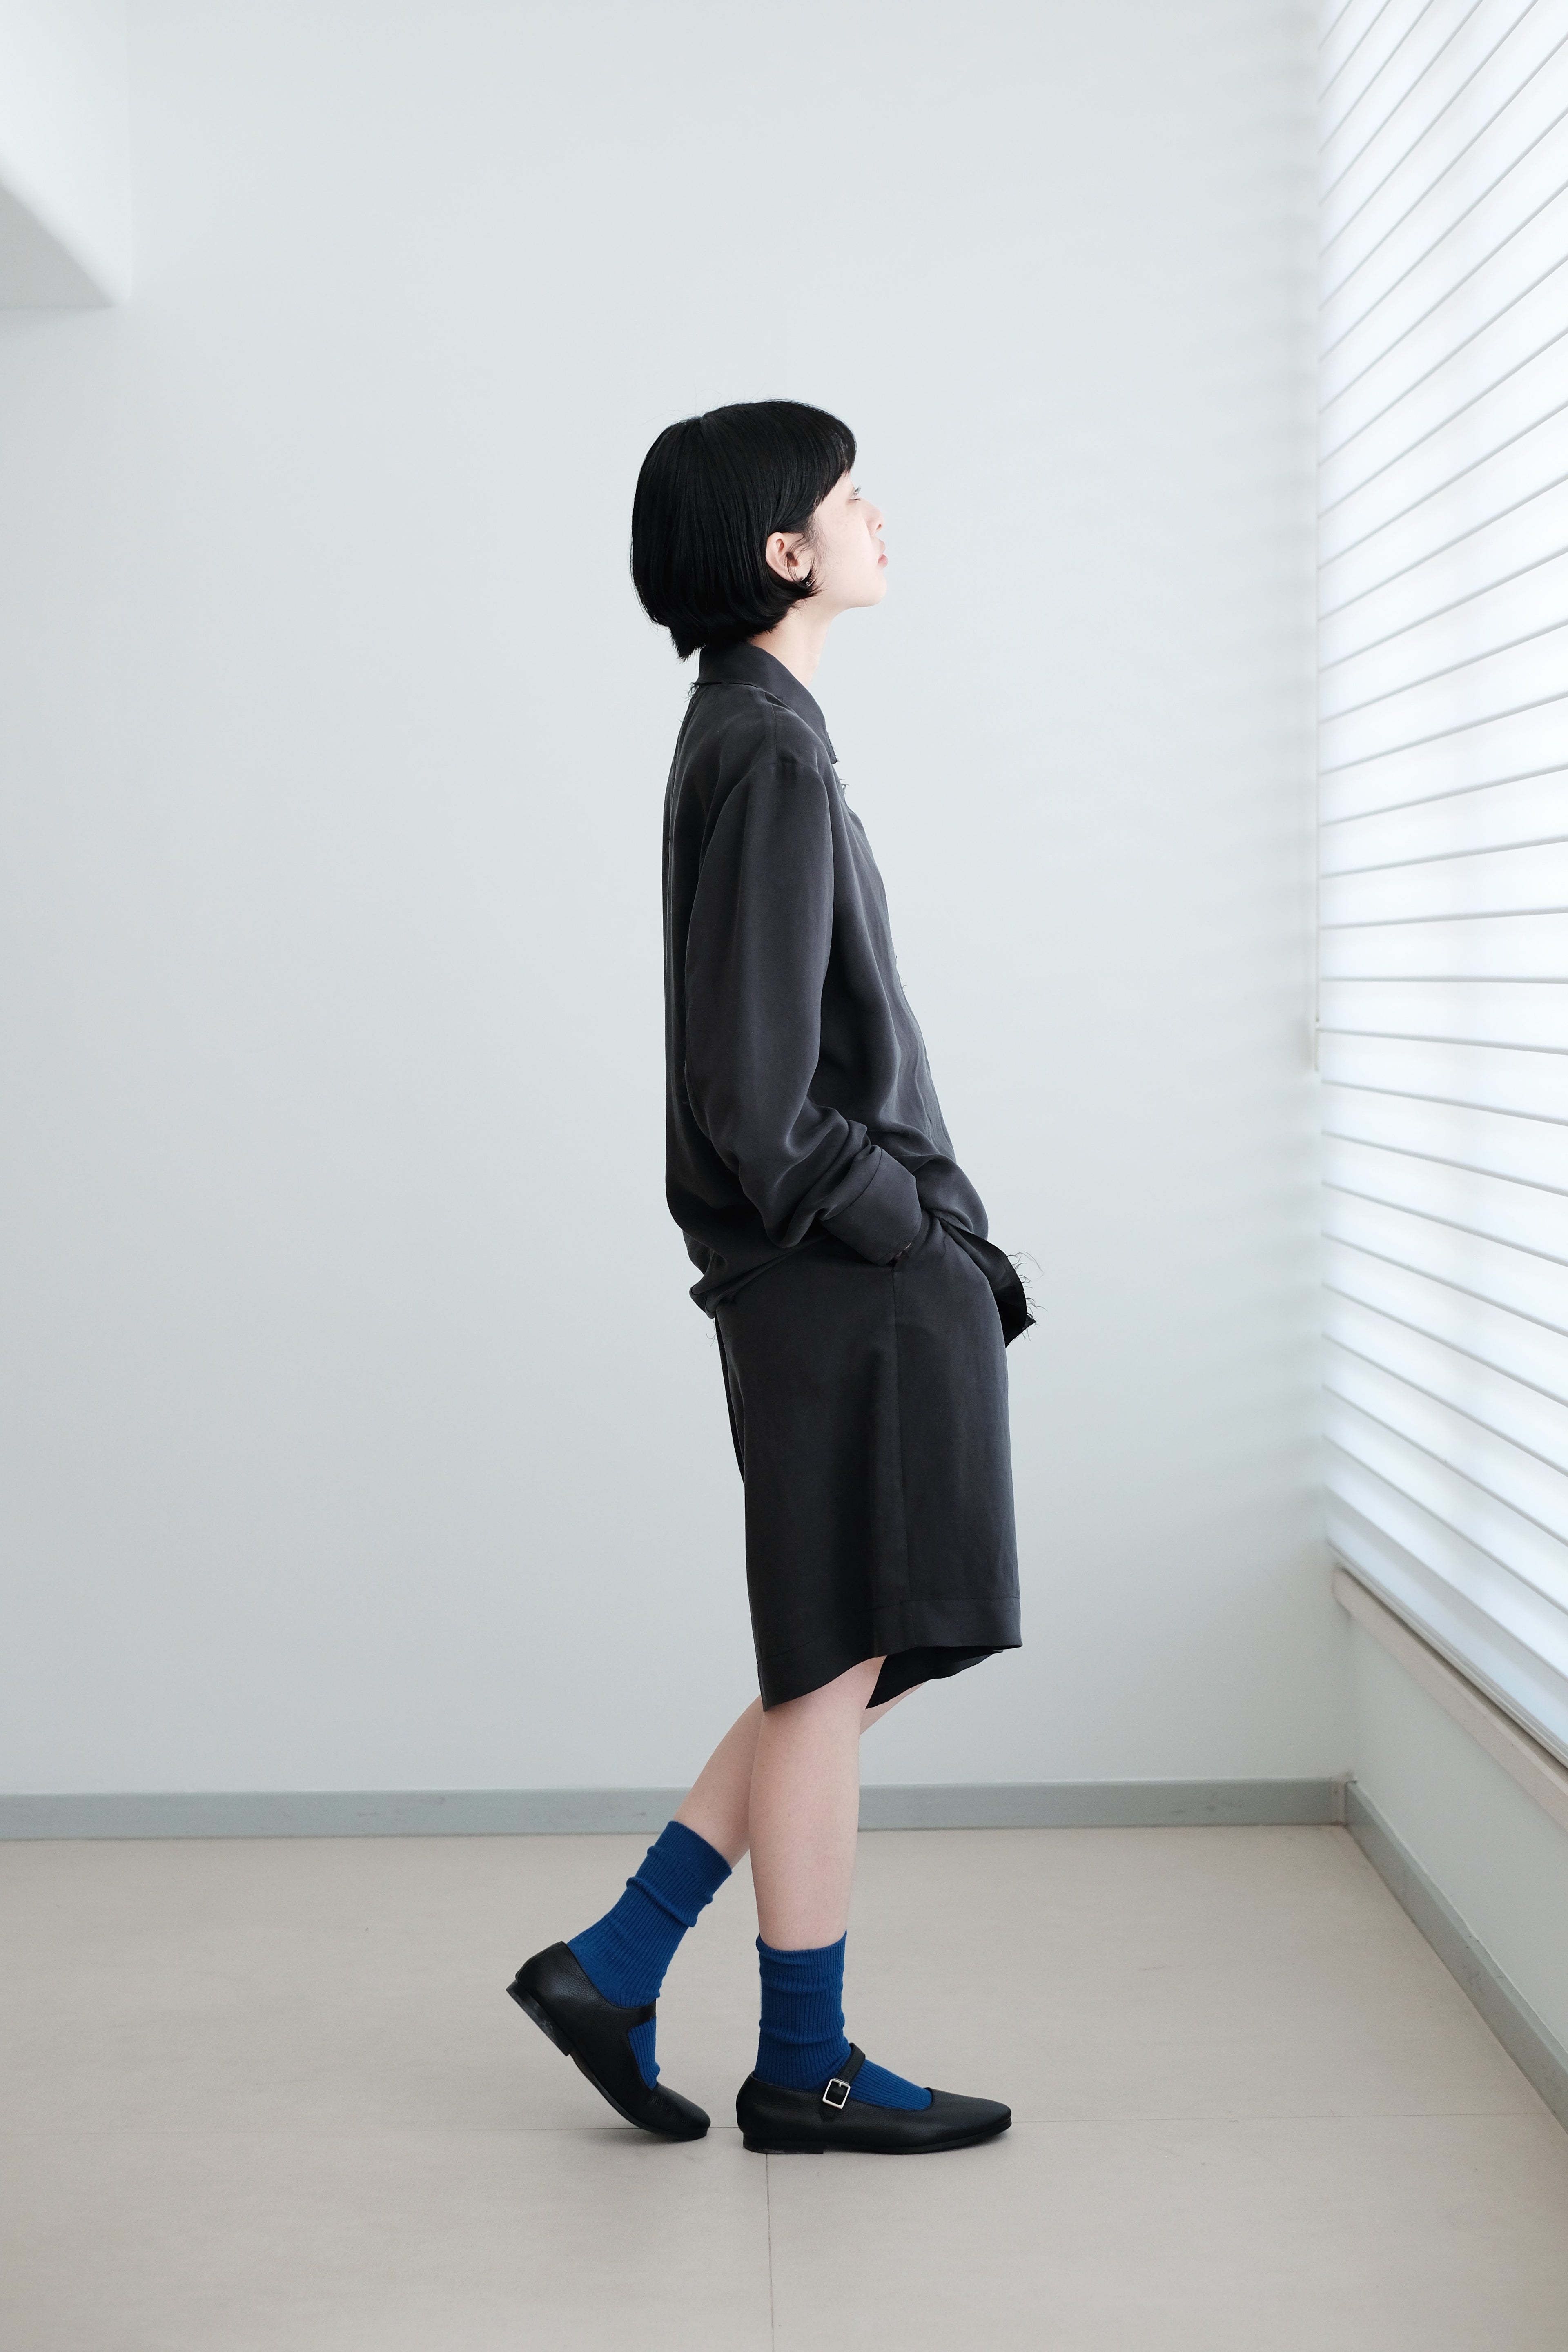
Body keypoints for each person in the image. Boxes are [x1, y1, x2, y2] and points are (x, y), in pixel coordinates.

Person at [510, 400, 1029, 2156]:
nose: (881, 519)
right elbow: (755, 1096)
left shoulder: (746, 729)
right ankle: (800, 2062)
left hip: (829, 1277)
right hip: (839, 1277)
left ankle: (618, 1960)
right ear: (785, 551)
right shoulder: (770, 749)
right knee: (829, 1667)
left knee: (834, 1654)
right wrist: (905, 1227)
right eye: (849, 498)